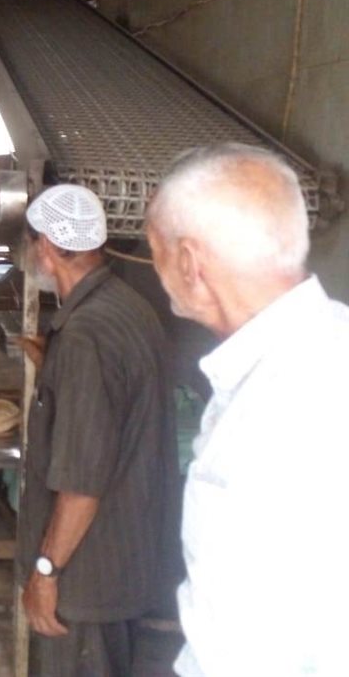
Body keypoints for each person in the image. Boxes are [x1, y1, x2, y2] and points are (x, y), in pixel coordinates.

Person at [146, 143, 349, 677]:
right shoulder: (328, 347)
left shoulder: (276, 418)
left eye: (155, 250)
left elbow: (249, 649)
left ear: (189, 263)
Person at [16, 184, 176, 677]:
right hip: (125, 558)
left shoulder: (85, 335)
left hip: (85, 577)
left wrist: (46, 572)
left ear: (46, 246)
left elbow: (82, 484)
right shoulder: (129, 306)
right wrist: (56, 367)